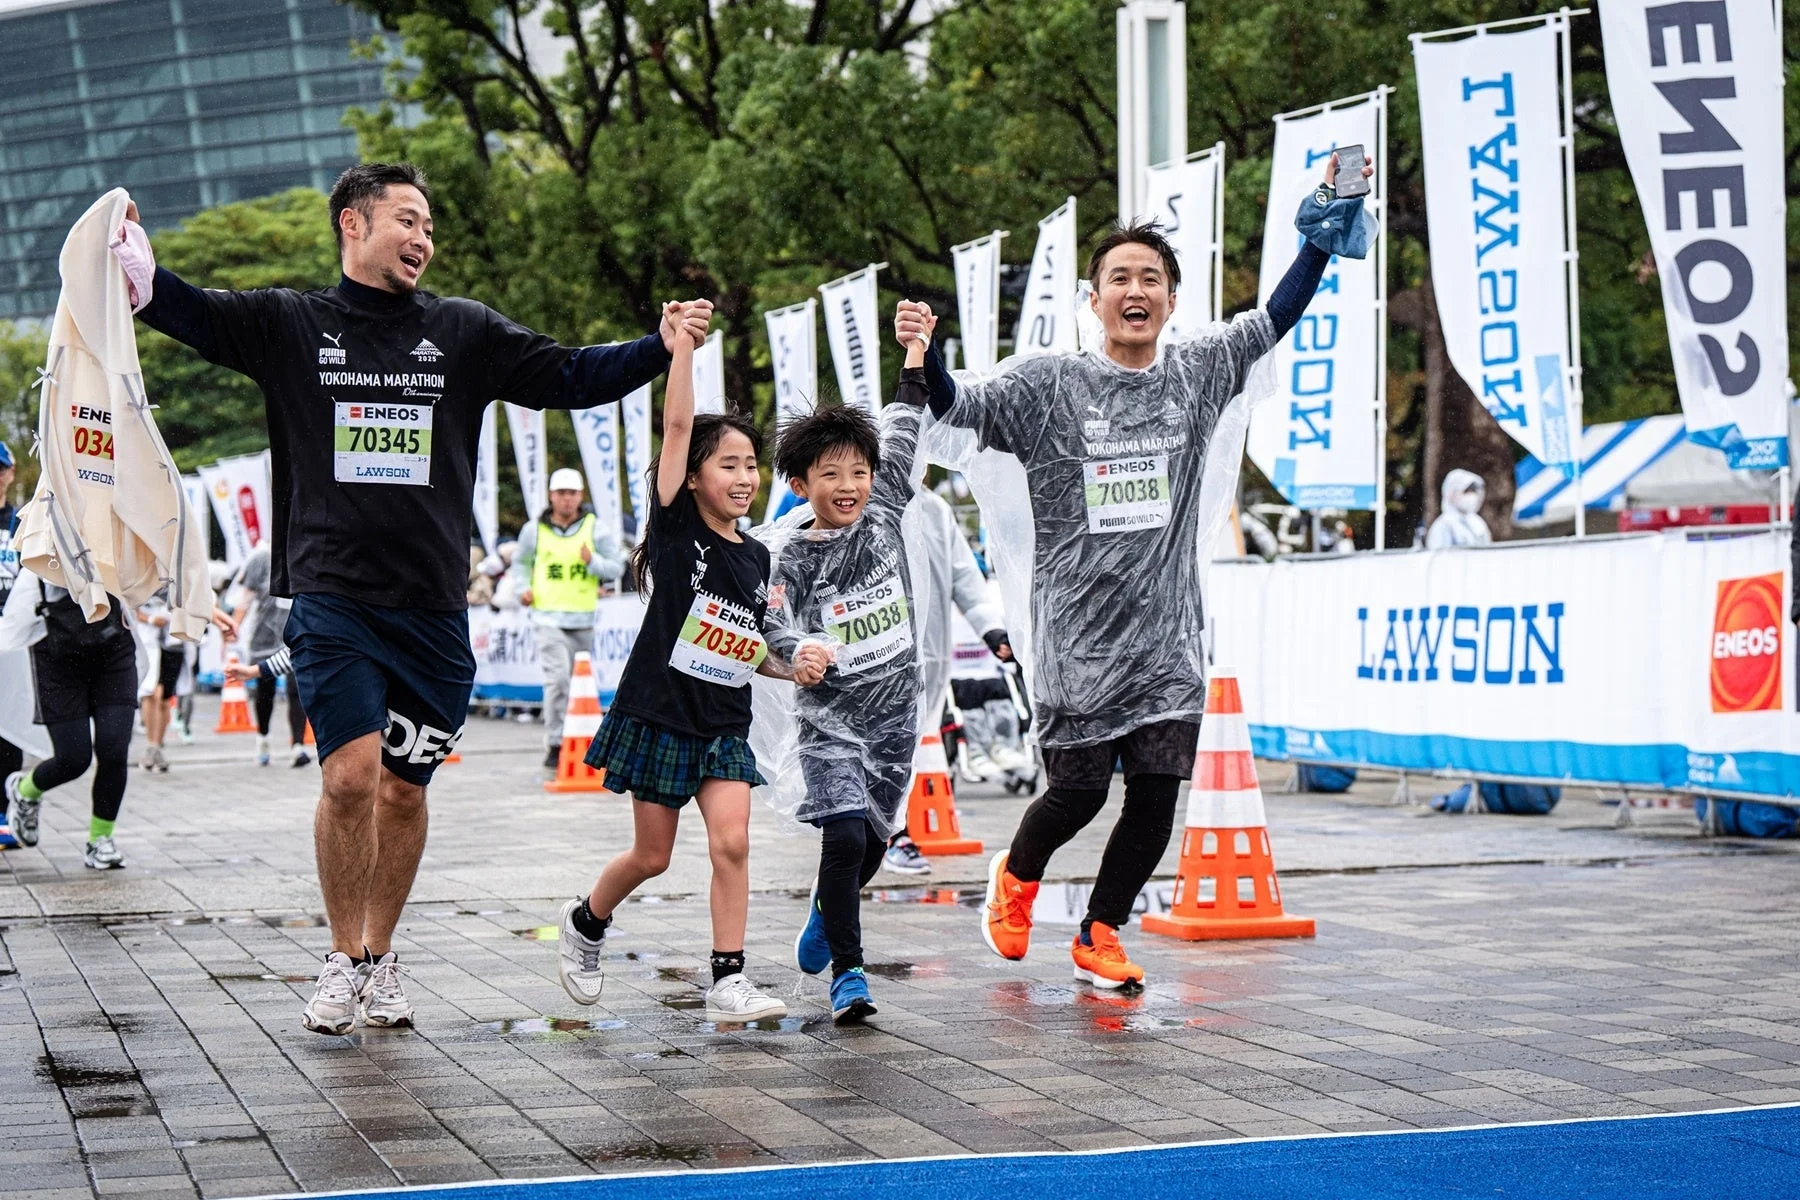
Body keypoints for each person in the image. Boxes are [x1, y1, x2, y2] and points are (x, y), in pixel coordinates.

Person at [114, 161, 713, 1035]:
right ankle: (340, 956)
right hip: (332, 598)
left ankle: (381, 957)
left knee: (402, 791)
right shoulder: (289, 324)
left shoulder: (463, 332)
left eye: (430, 225)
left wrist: (659, 347)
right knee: (350, 776)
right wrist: (120, 244)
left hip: (433, 610)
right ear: (352, 225)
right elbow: (183, 307)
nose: (423, 238)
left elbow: (568, 376)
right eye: (406, 219)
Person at [897, 151, 1376, 990]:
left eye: (1151, 278)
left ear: (1170, 298)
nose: (1135, 291)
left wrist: (1322, 245)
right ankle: (1014, 881)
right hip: (1077, 634)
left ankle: (1100, 931)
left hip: (1166, 638)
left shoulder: (1197, 371)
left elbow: (1275, 318)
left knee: (1156, 799)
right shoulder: (1048, 385)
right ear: (1095, 300)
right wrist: (926, 355)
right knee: (1077, 794)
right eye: (1119, 277)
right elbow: (955, 409)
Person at [553, 321, 792, 1025]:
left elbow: (748, 647)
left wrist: (792, 665)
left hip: (722, 722)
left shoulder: (758, 557)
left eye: (752, 464)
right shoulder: (674, 527)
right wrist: (682, 350)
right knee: (653, 857)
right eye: (728, 465)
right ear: (692, 476)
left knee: (733, 841)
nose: (745, 477)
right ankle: (586, 923)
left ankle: (728, 979)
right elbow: (679, 421)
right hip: (658, 713)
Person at [760, 320, 933, 1023]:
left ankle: (827, 913)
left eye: (857, 471)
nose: (849, 485)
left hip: (896, 715)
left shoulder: (885, 508)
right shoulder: (791, 556)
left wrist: (916, 351)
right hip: (829, 719)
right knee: (844, 833)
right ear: (801, 484)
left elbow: (906, 421)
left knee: (874, 843)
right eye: (830, 474)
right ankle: (849, 976)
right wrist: (798, 648)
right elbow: (769, 622)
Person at [0, 573, 231, 867]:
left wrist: (204, 605)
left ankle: (101, 839)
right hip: (57, 655)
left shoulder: (116, 533)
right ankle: (25, 791)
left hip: (113, 650)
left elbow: (159, 570)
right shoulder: (45, 541)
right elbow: (12, 627)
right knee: (74, 758)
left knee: (113, 748)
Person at [510, 467, 625, 770]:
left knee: (578, 685)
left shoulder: (594, 528)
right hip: (547, 618)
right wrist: (522, 588)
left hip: (583, 618)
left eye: (572, 493)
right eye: (561, 493)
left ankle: (584, 743)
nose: (566, 499)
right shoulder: (534, 530)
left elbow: (617, 567)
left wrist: (593, 562)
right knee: (557, 680)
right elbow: (520, 563)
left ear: (580, 496)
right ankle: (556, 742)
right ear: (551, 496)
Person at [228, 544, 310, 767]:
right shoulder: (261, 559)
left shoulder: (303, 555)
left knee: (297, 689)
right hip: (263, 637)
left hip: (294, 635)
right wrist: (233, 627)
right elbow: (245, 598)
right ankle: (263, 737)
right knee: (265, 692)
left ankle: (298, 745)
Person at [132, 590, 184, 772]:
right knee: (152, 693)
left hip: (173, 643)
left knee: (164, 698)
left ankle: (157, 746)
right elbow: (129, 607)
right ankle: (151, 745)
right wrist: (151, 620)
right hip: (149, 641)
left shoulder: (178, 572)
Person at [0, 441, 21, 790]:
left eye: (0, 470)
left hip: (14, 636)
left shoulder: (22, 521)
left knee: (10, 726)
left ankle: (5, 810)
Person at [1425, 469, 1492, 549]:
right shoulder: (1444, 525)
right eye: (1466, 491)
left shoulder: (1478, 523)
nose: (1471, 496)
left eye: (1473, 491)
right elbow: (1439, 557)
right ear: (1451, 493)